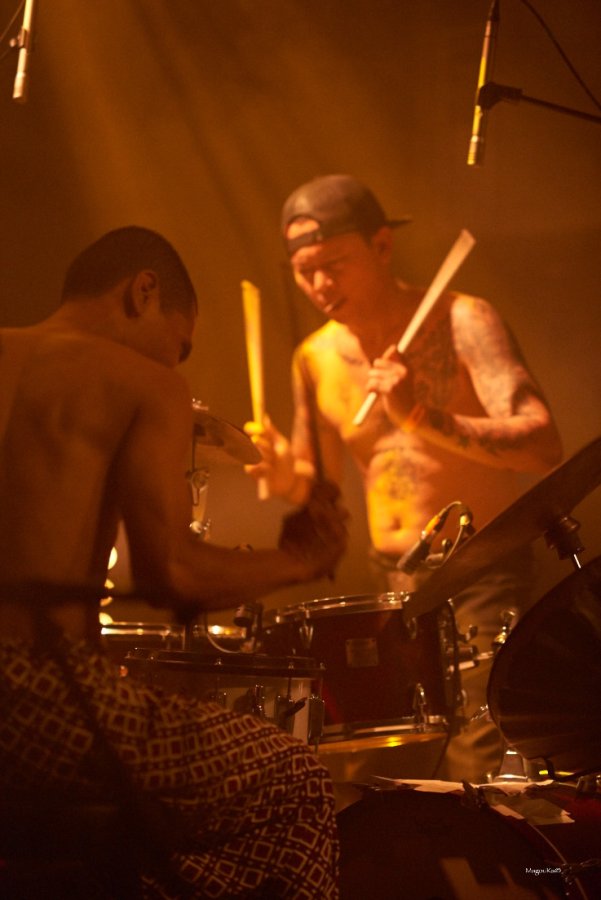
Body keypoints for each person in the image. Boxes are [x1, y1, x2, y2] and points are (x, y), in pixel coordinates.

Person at [0, 226, 348, 899]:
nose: (176, 358)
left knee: (145, 847)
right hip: (39, 702)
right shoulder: (144, 382)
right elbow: (173, 574)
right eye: (180, 342)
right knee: (295, 776)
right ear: (143, 292)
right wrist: (300, 559)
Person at [244, 174, 563, 785]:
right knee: (396, 761)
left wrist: (419, 415)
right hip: (392, 579)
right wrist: (284, 474)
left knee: (479, 756)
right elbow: (317, 484)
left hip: (480, 566)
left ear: (382, 246)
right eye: (305, 272)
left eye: (334, 265)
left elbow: (543, 443)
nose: (319, 285)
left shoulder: (463, 319)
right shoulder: (314, 358)